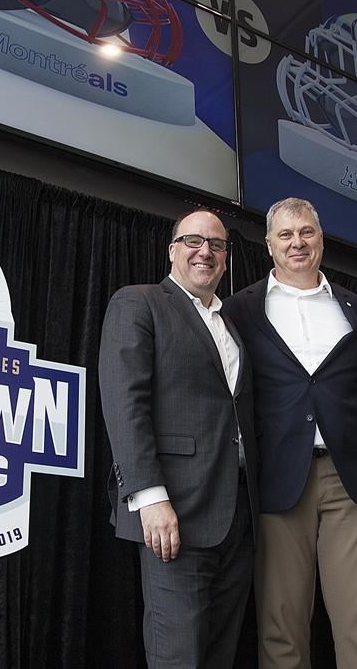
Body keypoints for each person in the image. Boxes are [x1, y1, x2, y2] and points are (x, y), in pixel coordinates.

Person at [222, 198, 357, 669]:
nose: (298, 243)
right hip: (277, 481)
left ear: (321, 238)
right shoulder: (239, 309)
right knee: (281, 629)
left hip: (350, 479)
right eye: (286, 235)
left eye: (307, 232)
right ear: (269, 245)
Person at [98, 210, 258, 669]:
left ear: (226, 259)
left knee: (218, 655)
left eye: (217, 244)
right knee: (178, 656)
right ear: (172, 251)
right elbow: (124, 402)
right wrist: (149, 497)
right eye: (193, 240)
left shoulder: (231, 328)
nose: (205, 251)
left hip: (235, 519)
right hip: (174, 516)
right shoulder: (139, 303)